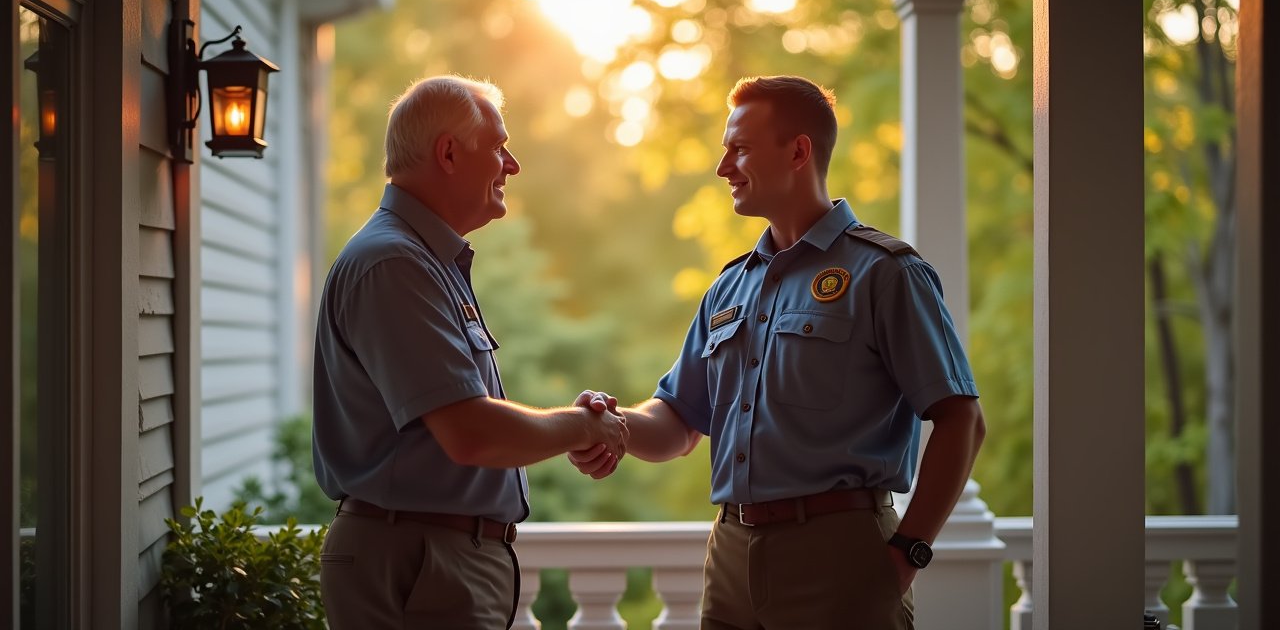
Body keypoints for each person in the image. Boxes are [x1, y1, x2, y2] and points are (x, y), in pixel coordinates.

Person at [570, 75, 986, 629]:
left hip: (841, 559)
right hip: (730, 556)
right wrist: (610, 425)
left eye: (738, 149)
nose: (723, 168)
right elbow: (678, 419)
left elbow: (962, 421)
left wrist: (907, 553)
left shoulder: (886, 273)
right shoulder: (728, 288)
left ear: (798, 151)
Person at [312, 75, 629, 630]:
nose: (513, 165)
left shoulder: (423, 260)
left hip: (430, 561)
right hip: (418, 565)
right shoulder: (395, 264)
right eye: (499, 146)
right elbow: (471, 432)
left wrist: (576, 423)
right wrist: (583, 428)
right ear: (449, 153)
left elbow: (465, 419)